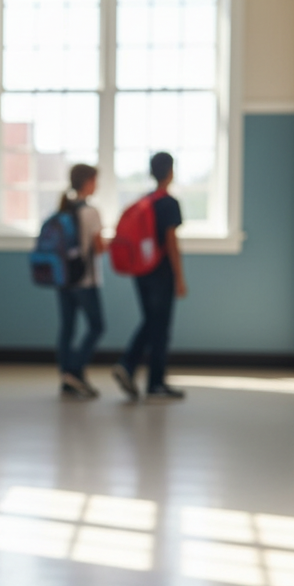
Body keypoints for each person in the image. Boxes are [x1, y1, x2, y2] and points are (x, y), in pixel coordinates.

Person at [112, 151, 188, 401]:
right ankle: (153, 382)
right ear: (170, 171)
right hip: (161, 272)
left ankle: (130, 367)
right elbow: (171, 242)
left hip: (141, 271)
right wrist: (179, 277)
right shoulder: (168, 203)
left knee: (150, 321)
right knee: (161, 327)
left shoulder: (145, 201)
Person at [56, 164, 105, 399]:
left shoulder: (64, 209)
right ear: (87, 182)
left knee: (68, 328)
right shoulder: (91, 212)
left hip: (64, 279)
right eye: (95, 180)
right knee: (97, 326)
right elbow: (99, 247)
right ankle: (75, 372)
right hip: (86, 280)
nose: (97, 185)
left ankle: (67, 377)